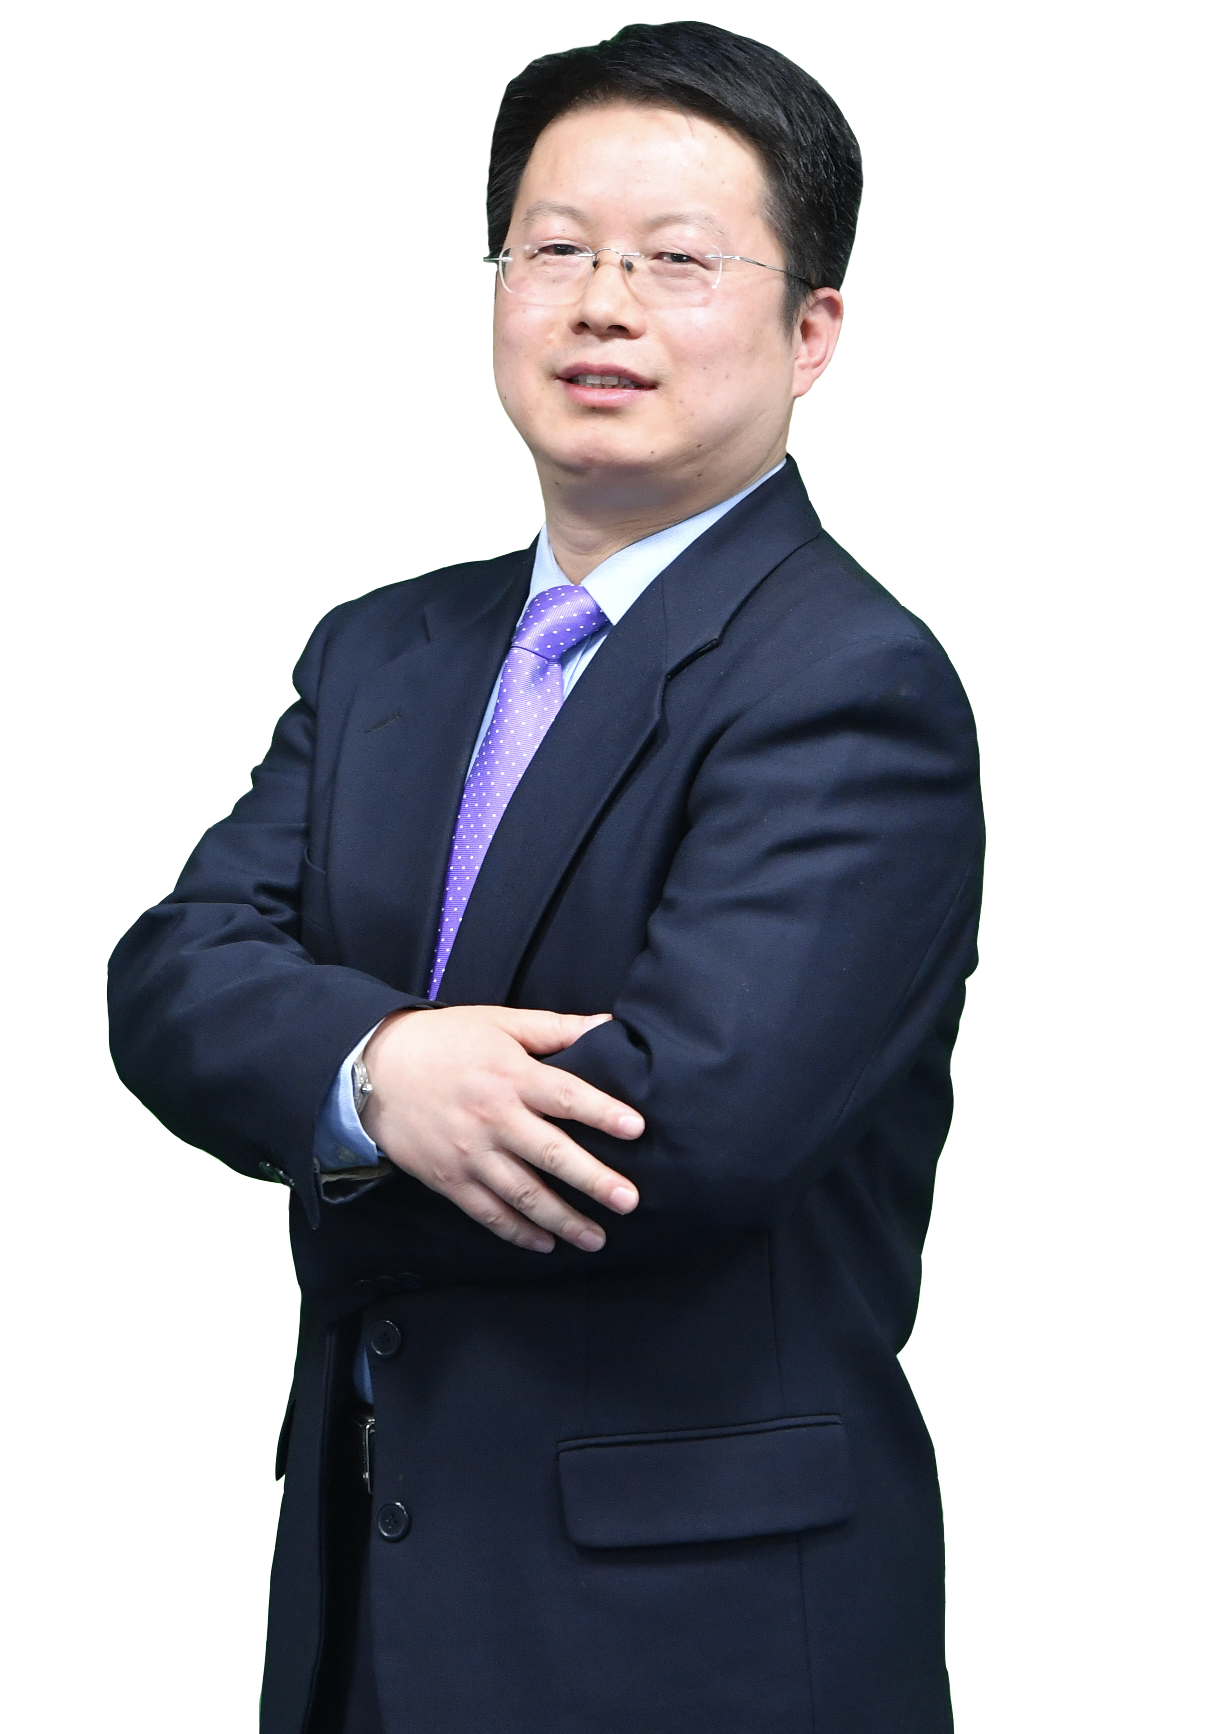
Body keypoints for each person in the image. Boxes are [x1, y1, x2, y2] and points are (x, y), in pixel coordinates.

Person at [108, 20, 983, 1734]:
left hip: (697, 1639)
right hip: (369, 1598)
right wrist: (381, 1074)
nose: (602, 306)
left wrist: (326, 1105)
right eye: (556, 251)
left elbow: (686, 1128)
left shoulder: (851, 682)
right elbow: (172, 975)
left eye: (678, 261)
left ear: (814, 331)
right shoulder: (381, 652)